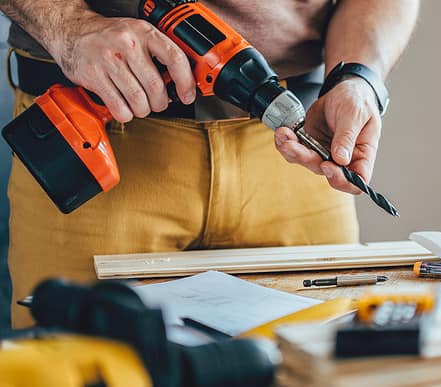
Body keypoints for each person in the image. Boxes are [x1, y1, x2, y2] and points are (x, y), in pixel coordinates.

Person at [0, 0, 419, 327]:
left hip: (297, 158)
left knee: (318, 364)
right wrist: (70, 28)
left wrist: (359, 79)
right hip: (93, 135)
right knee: (78, 365)